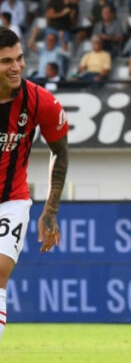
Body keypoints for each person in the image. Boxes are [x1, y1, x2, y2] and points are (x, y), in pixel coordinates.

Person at [0, 27, 69, 344]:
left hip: (11, 200)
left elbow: (61, 153)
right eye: (6, 61)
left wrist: (50, 212)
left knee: (0, 269)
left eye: (19, 59)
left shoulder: (40, 101)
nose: (15, 67)